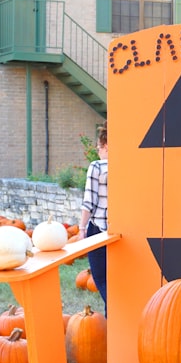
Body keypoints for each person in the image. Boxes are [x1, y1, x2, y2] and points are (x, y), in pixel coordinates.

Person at [80, 123, 109, 308]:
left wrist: (82, 229)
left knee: (102, 280)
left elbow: (89, 202)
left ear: (106, 146)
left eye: (99, 148)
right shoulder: (130, 165)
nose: (98, 152)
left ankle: (115, 318)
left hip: (99, 231)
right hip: (124, 234)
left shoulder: (97, 167)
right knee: (120, 283)